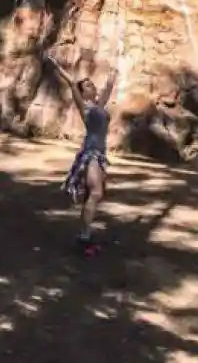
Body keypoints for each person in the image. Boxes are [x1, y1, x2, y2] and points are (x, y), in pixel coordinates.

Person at [47, 56, 116, 253]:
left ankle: (84, 234)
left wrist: (112, 76)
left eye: (91, 84)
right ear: (82, 92)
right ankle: (84, 236)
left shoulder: (98, 108)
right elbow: (71, 83)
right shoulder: (85, 107)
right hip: (91, 153)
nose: (92, 86)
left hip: (100, 155)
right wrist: (55, 64)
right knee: (96, 192)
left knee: (90, 196)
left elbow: (107, 91)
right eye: (87, 85)